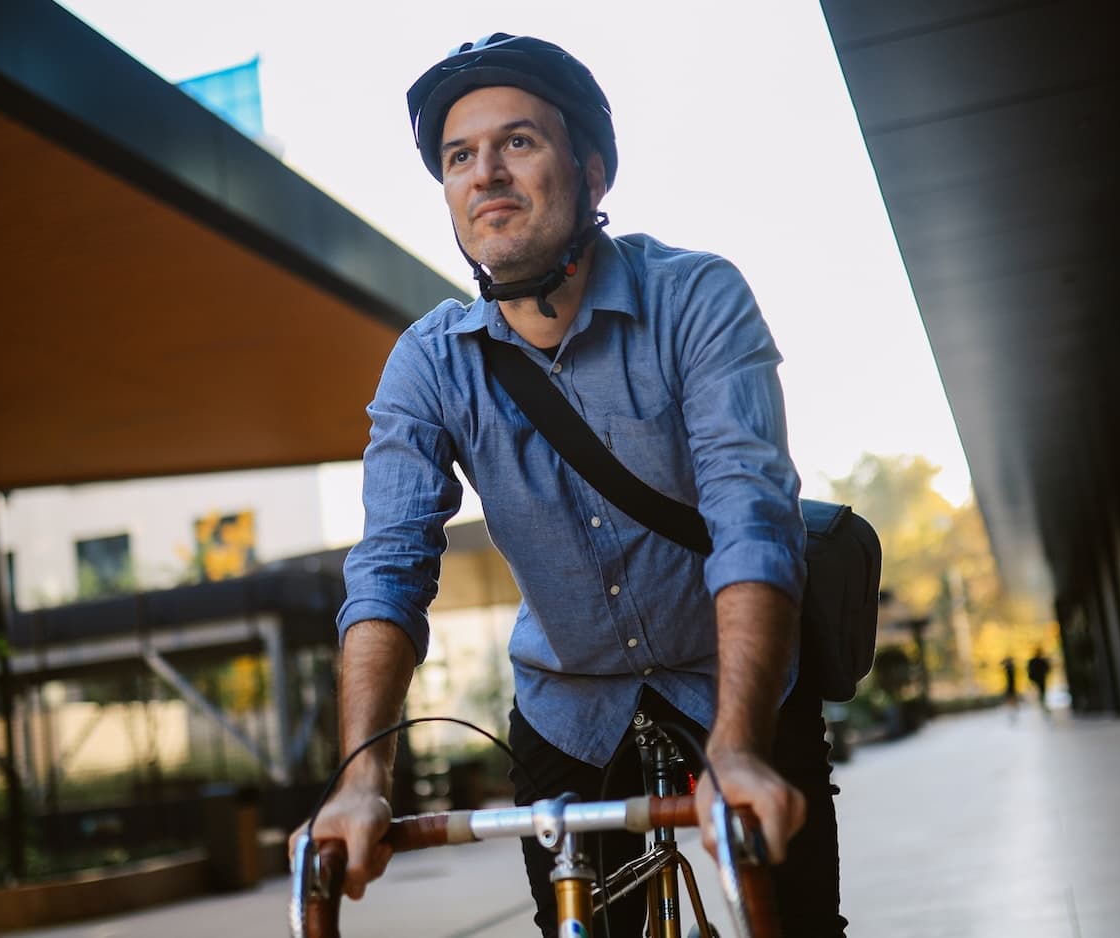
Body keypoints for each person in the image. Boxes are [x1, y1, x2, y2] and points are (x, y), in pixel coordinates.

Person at [297, 33, 844, 936]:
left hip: (735, 682)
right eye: (459, 157)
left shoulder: (695, 298)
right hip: (569, 704)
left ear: (591, 173)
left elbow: (750, 515)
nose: (485, 174)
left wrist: (739, 747)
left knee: (795, 923)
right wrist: (361, 781)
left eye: (518, 142)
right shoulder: (430, 363)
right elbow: (389, 568)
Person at [1027, 647, 1052, 713]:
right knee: (1038, 692)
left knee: (1042, 691)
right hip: (1036, 679)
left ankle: (1041, 703)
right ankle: (1038, 703)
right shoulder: (1034, 661)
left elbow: (1047, 669)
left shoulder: (1040, 661)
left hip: (1040, 679)